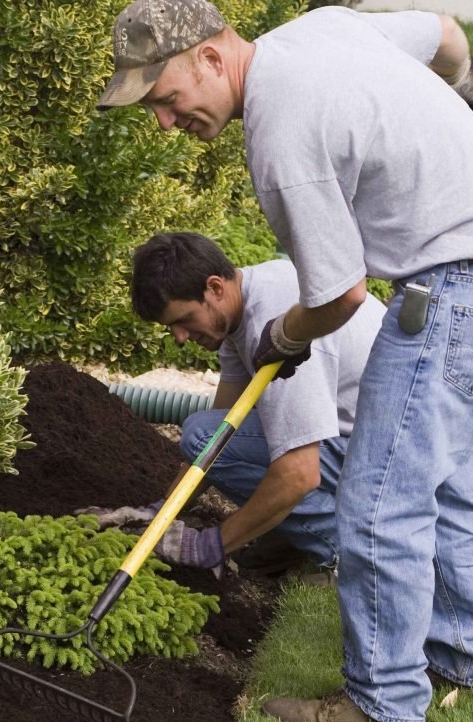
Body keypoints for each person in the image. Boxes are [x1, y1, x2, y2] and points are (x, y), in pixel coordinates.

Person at [96, 1, 473, 722]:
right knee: (450, 490)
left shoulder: (278, 131)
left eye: (166, 98)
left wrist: (280, 334)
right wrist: (463, 89)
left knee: (378, 503)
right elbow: (444, 33)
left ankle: (381, 703)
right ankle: (465, 658)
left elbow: (337, 294)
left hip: (455, 292)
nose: (165, 122)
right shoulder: (326, 30)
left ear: (211, 58)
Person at [81, 230, 385, 580]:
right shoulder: (238, 311)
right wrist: (161, 512)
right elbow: (219, 436)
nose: (179, 337)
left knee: (202, 436)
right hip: (357, 438)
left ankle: (350, 550)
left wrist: (211, 546)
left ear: (214, 288)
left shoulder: (273, 325)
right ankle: (294, 535)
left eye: (183, 320)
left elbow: (300, 473)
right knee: (208, 434)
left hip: (382, 456)